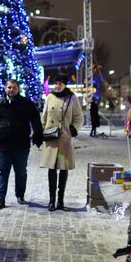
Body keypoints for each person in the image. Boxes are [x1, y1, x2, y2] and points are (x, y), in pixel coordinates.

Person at [0, 79, 43, 210]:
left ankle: (20, 195)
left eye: (14, 88)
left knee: (21, 172)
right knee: (1, 173)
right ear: (5, 89)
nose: (11, 89)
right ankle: (0, 199)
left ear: (18, 89)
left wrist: (38, 135)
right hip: (2, 146)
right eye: (9, 87)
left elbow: (36, 120)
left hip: (21, 146)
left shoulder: (27, 104)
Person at [39, 74, 83, 211]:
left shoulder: (72, 98)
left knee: (63, 169)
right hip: (51, 138)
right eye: (56, 83)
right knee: (51, 169)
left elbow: (79, 117)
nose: (57, 86)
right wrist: (40, 133)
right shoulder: (50, 97)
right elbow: (44, 116)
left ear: (65, 84)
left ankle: (60, 201)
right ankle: (51, 201)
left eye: (60, 83)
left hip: (65, 138)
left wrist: (74, 128)